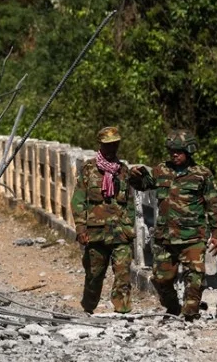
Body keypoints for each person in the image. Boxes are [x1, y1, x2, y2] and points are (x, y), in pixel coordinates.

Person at [129, 129, 217, 321]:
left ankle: (190, 315)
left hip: (193, 237)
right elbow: (142, 184)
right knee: (161, 278)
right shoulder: (161, 171)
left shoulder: (202, 175)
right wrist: (134, 176)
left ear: (189, 151)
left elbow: (214, 206)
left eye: (179, 151)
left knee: (195, 279)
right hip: (166, 238)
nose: (174, 155)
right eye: (172, 151)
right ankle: (173, 308)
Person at [71, 126, 135, 314]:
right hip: (96, 233)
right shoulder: (89, 169)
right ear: (100, 145)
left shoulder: (123, 171)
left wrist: (129, 225)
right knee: (94, 276)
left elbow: (129, 202)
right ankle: (88, 308)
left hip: (120, 233)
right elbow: (78, 200)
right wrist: (81, 229)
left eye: (115, 144)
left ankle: (123, 310)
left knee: (123, 272)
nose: (112, 148)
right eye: (108, 145)